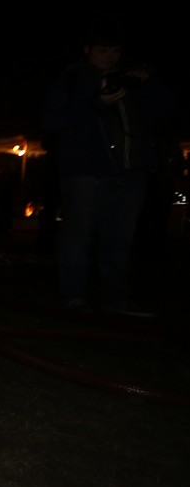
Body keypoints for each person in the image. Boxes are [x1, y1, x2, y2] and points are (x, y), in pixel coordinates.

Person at [41, 20, 175, 316]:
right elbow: (52, 120)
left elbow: (165, 111)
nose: (110, 56)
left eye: (115, 50)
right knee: (78, 233)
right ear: (87, 50)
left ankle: (115, 298)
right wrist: (96, 103)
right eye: (103, 50)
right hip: (86, 170)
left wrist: (149, 82)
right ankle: (73, 295)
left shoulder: (133, 77)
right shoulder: (73, 78)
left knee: (120, 236)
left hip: (130, 169)